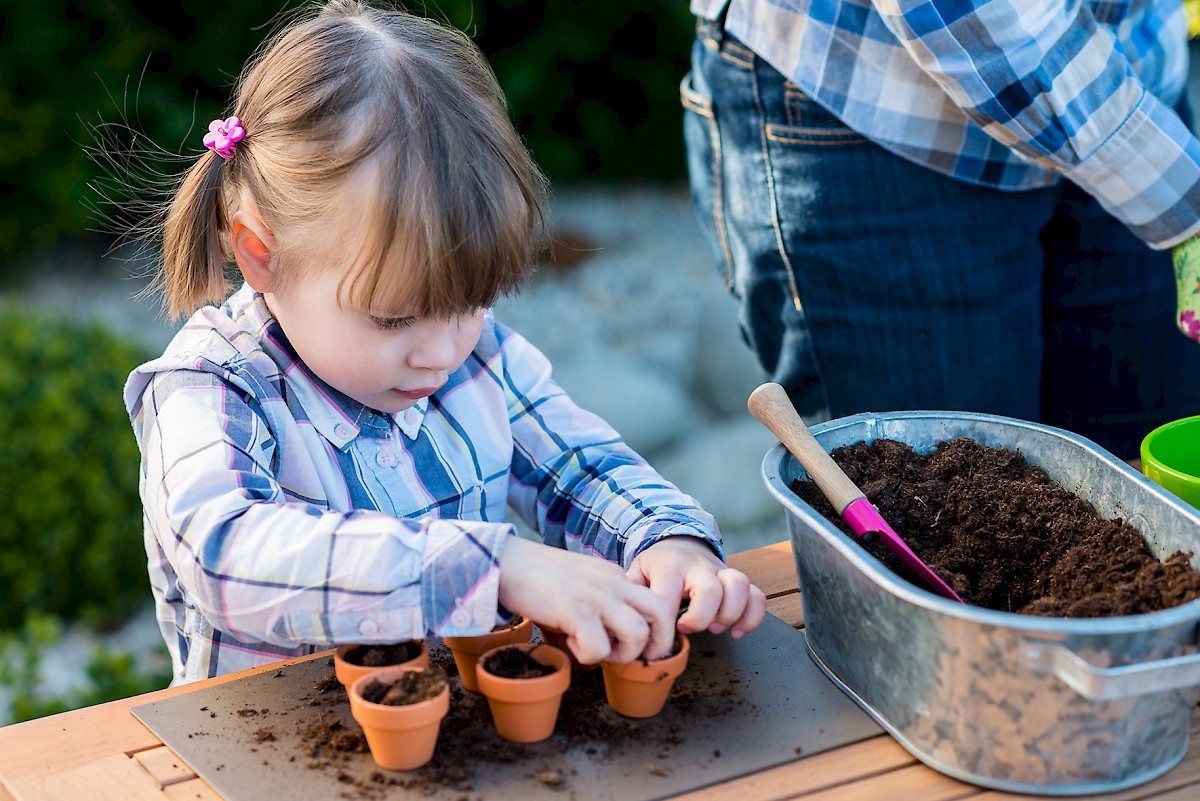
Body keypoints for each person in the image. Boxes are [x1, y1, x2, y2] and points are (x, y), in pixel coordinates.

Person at [122, 0, 765, 686]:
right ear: (260, 255)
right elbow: (226, 555)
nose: (441, 352)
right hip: (261, 754)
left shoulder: (476, 356)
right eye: (393, 319)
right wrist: (492, 566)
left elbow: (580, 466)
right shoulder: (211, 386)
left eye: (470, 302)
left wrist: (667, 540)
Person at [682, 0, 1200, 461]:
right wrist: (1181, 200)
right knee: (939, 528)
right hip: (876, 101)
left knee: (1142, 502)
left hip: (1130, 77)